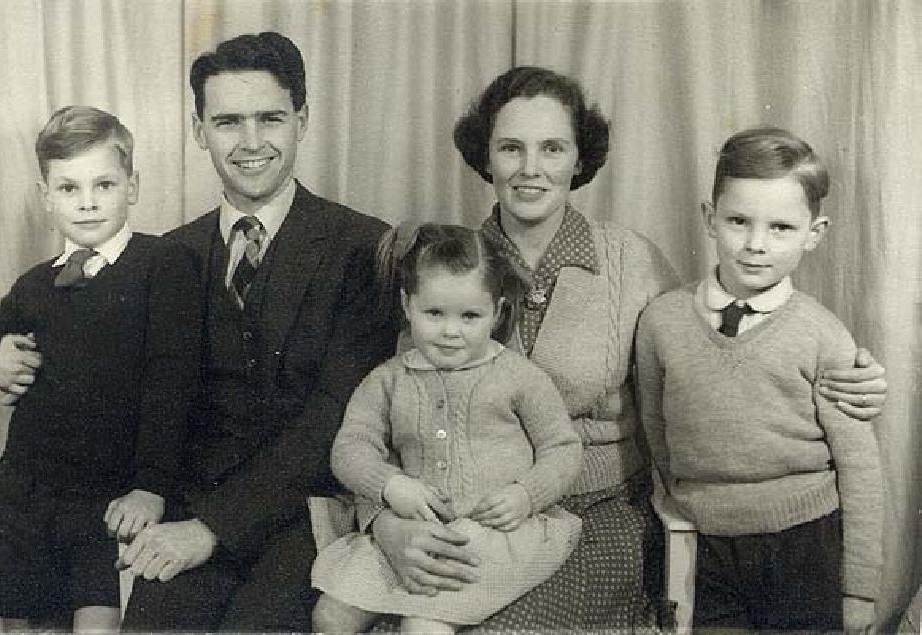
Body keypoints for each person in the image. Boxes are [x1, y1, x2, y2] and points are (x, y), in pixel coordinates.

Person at [367, 67, 890, 630]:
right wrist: (384, 521)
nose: (530, 168)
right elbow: (395, 404)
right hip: (473, 515)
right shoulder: (448, 263)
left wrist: (852, 377)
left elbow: (709, 360)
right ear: (485, 157)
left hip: (595, 518)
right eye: (511, 148)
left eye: (552, 148)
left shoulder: (631, 261)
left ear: (579, 158)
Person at [113, 32, 397, 632]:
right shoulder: (172, 255)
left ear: (302, 121)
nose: (250, 143)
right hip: (192, 508)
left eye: (270, 119)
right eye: (227, 122)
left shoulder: (363, 247)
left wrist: (213, 528)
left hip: (310, 514)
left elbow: (336, 415)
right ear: (199, 131)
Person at [0, 106, 201, 632]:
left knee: (97, 624)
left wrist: (151, 486)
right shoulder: (35, 284)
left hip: (110, 500)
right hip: (27, 500)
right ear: (46, 196)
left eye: (103, 185)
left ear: (132, 186)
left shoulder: (163, 265)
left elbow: (171, 384)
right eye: (68, 188)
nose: (87, 203)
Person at [636, 127, 883, 632]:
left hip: (804, 545)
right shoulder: (661, 322)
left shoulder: (823, 334)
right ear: (710, 218)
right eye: (738, 221)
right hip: (704, 544)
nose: (755, 245)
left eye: (781, 228)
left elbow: (859, 467)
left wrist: (859, 589)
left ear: (814, 233)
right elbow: (657, 430)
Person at [311, 223, 583, 633]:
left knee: (424, 625)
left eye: (470, 316)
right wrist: (390, 485)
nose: (451, 331)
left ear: (497, 312)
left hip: (492, 535)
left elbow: (562, 448)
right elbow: (351, 448)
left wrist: (526, 494)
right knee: (330, 616)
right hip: (412, 528)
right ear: (407, 305)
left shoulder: (519, 377)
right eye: (434, 313)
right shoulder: (388, 379)